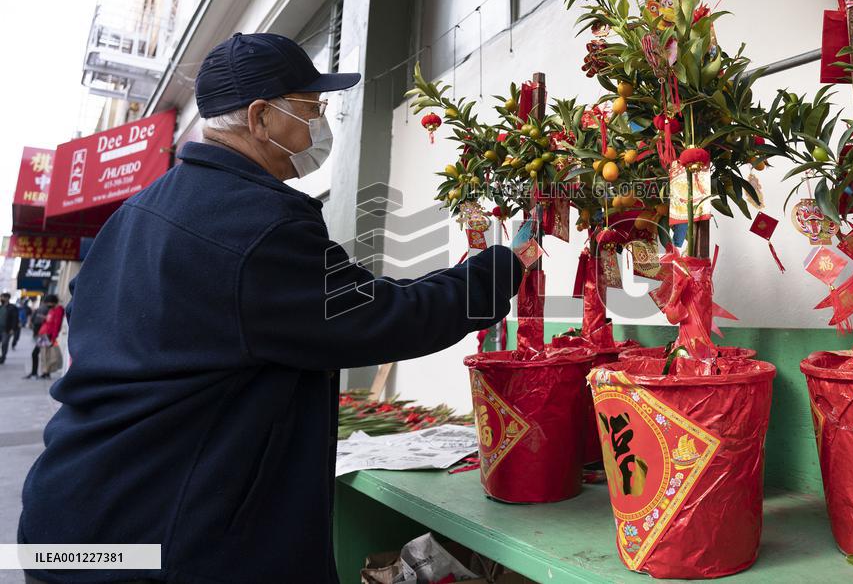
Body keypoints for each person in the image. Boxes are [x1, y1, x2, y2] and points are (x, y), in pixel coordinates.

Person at [19, 32, 522, 584]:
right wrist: (501, 269)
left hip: (72, 524)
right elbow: (384, 318)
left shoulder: (136, 214)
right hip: (156, 542)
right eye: (312, 109)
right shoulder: (255, 225)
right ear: (261, 118)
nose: (319, 125)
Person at [35, 295, 64, 380]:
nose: (47, 305)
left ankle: (46, 372)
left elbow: (57, 325)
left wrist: (53, 338)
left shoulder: (58, 310)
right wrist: (45, 318)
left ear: (53, 302)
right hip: (43, 333)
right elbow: (49, 320)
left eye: (48, 303)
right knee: (43, 354)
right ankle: (45, 372)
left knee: (47, 354)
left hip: (48, 335)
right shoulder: (52, 310)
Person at [24, 299, 49, 379]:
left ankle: (37, 373)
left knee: (37, 353)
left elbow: (35, 321)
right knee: (42, 354)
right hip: (43, 335)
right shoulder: (46, 309)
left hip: (44, 335)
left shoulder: (44, 309)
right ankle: (43, 373)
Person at [0, 292, 19, 363]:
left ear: (7, 298)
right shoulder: (0, 307)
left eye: (2, 297)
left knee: (4, 344)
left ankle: (3, 357)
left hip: (6, 329)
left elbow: (15, 319)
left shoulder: (12, 307)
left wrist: (13, 329)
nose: (1, 298)